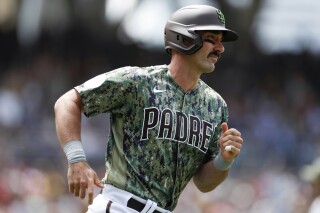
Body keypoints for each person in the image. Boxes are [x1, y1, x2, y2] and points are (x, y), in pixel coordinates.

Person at [54, 4, 244, 213]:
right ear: (184, 38)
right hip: (119, 207)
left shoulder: (215, 106)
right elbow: (67, 102)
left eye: (221, 41)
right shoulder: (137, 81)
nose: (220, 48)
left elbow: (203, 183)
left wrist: (224, 161)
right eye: (212, 39)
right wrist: (76, 159)